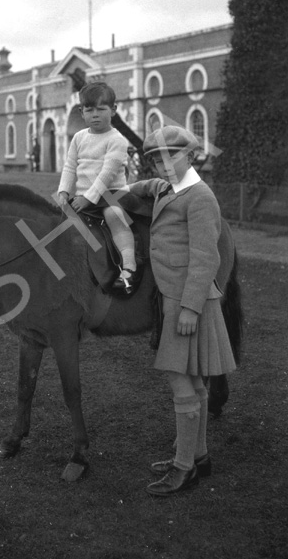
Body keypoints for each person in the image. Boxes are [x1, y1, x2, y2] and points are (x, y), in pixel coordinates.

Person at [124, 126, 237, 496]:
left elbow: (207, 257)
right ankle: (200, 457)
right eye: (155, 158)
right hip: (175, 295)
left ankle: (183, 468)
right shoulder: (167, 188)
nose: (162, 164)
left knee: (180, 380)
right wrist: (122, 189)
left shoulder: (200, 197)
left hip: (188, 299)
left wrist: (189, 308)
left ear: (190, 156)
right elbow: (144, 188)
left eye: (170, 155)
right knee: (197, 381)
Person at [57, 81, 141, 294]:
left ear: (113, 110)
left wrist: (88, 199)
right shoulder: (79, 137)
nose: (95, 115)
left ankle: (129, 266)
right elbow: (70, 167)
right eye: (89, 110)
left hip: (112, 194)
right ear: (81, 112)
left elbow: (107, 174)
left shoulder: (117, 140)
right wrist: (63, 192)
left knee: (113, 215)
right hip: (83, 195)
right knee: (60, 225)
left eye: (101, 109)